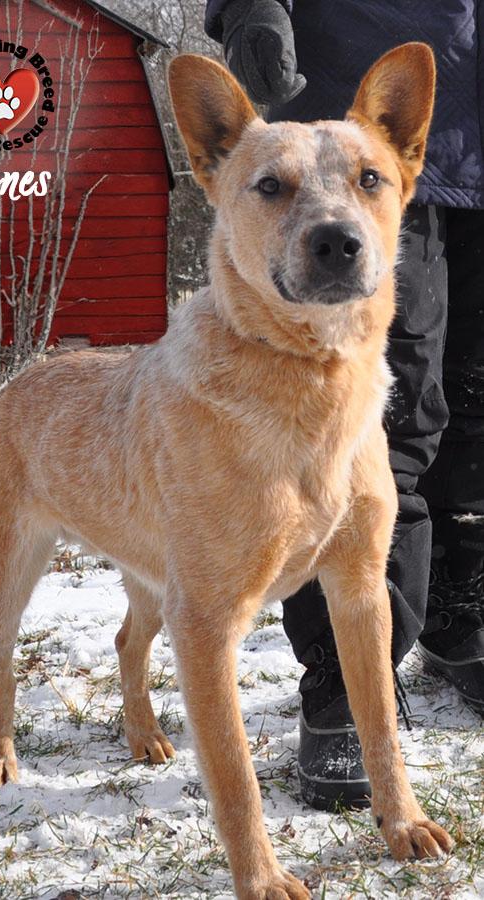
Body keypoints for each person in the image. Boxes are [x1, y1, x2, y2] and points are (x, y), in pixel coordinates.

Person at [204, 0, 484, 810]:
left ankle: (460, 621)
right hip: (354, 130)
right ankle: (341, 682)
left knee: (474, 405)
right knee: (381, 430)